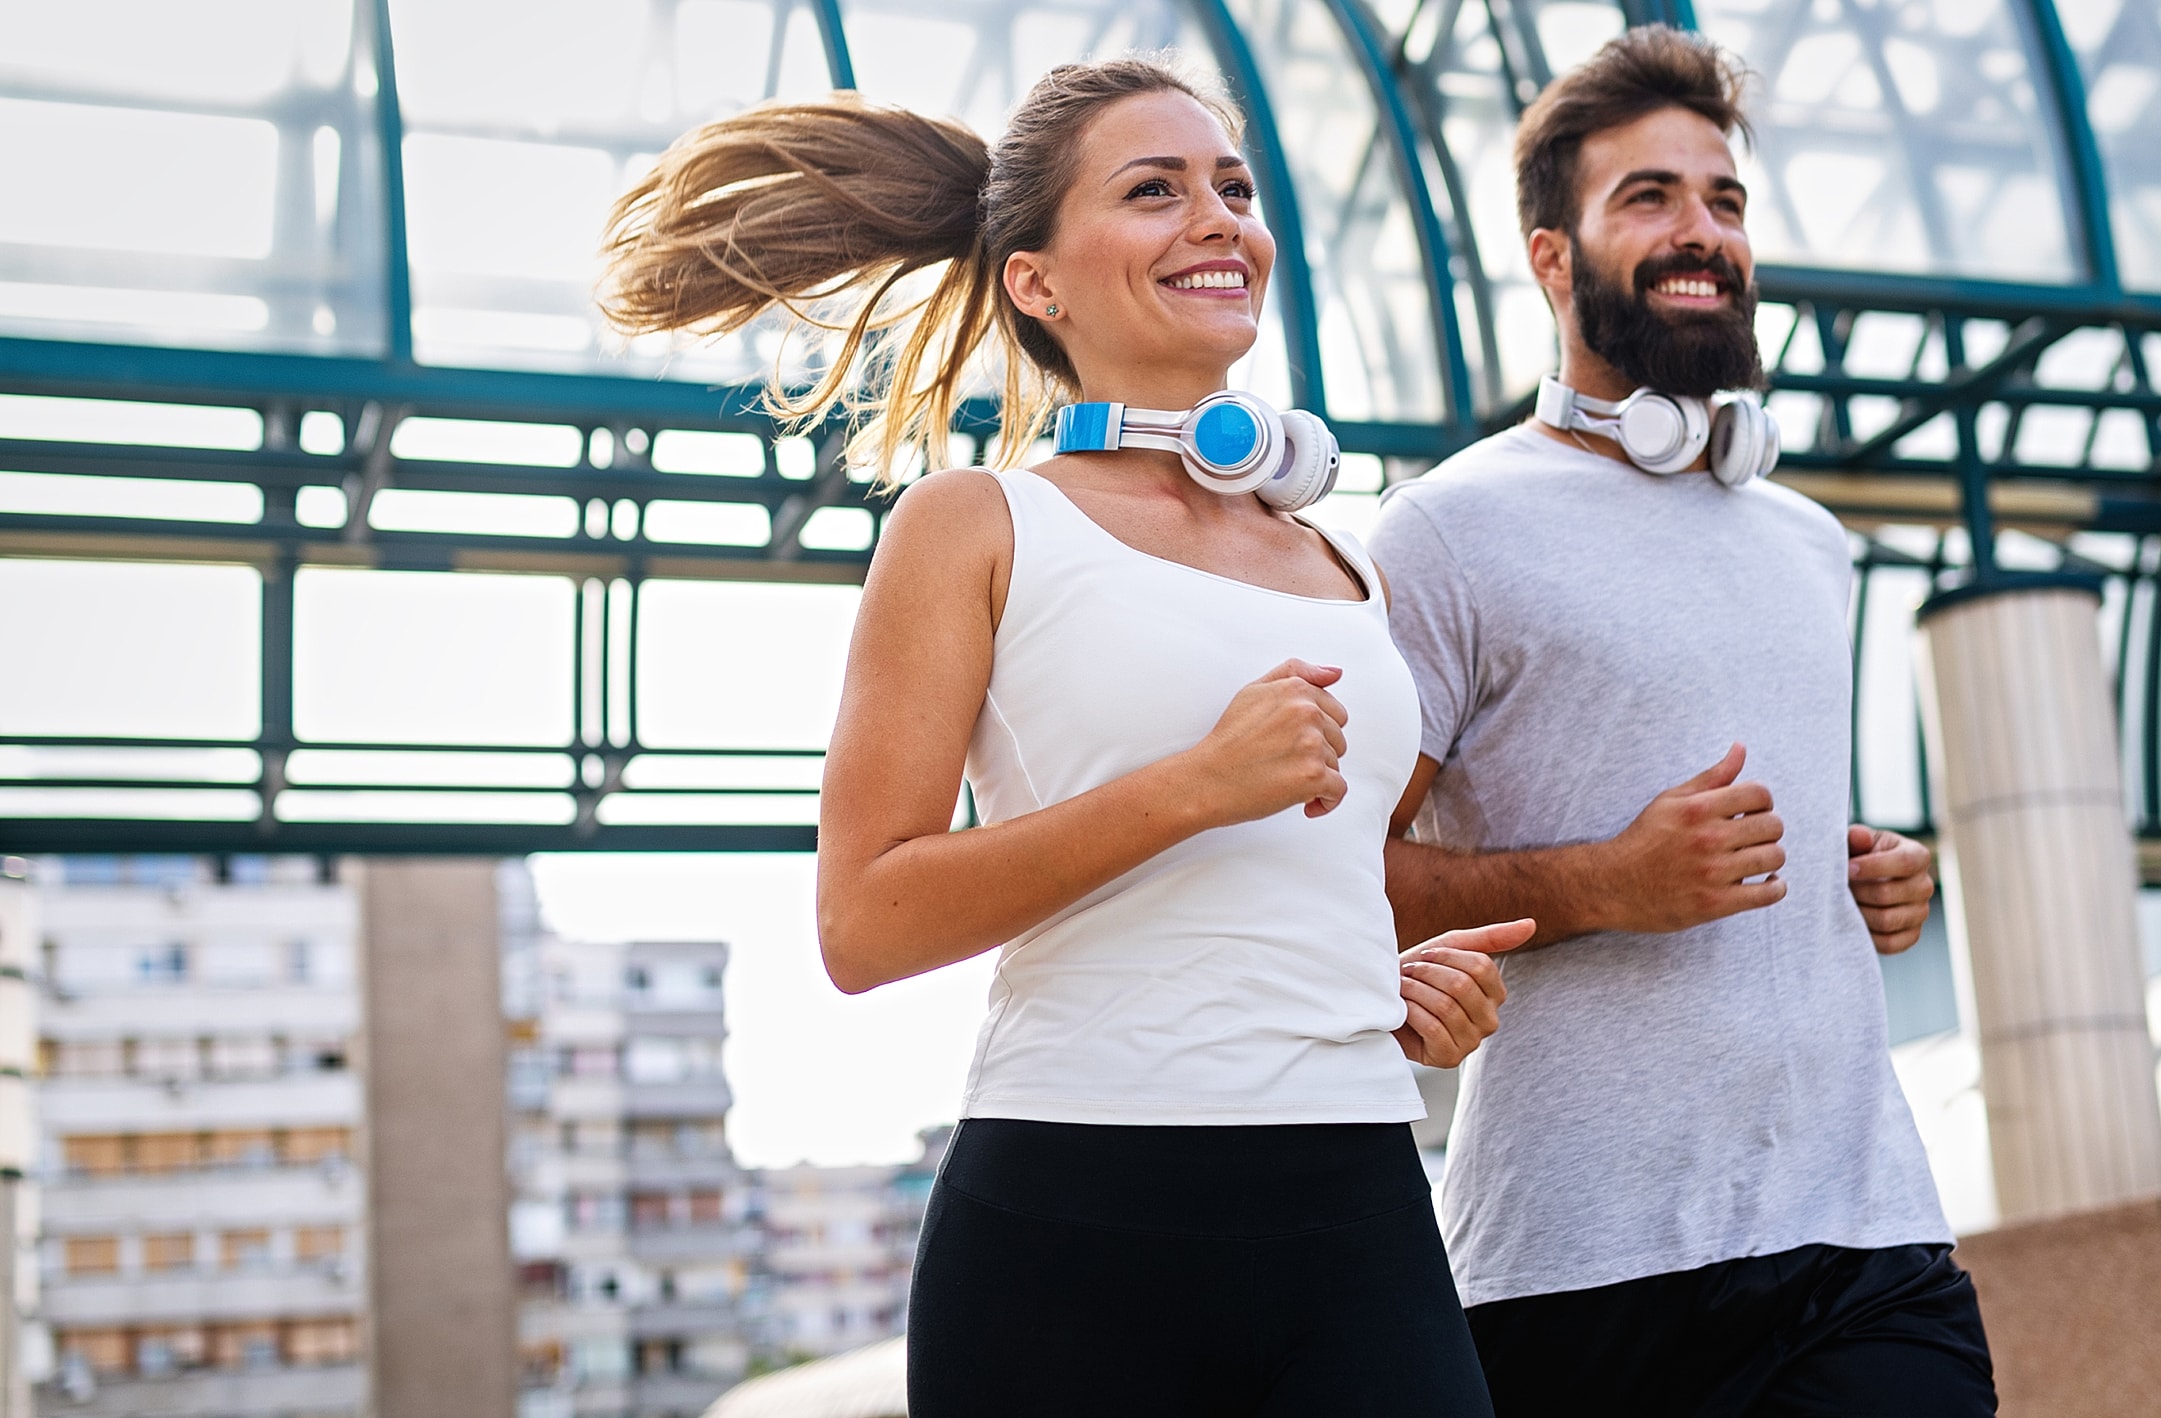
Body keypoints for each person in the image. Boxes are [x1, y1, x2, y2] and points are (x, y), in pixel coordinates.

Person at [599, 58, 1527, 1417]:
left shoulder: (1349, 563)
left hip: (1361, 1205)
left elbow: (1294, 881)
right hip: (1074, 1224)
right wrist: (1193, 786)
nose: (1219, 218)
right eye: (1155, 191)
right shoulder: (975, 524)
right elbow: (865, 921)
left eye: (1235, 187)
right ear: (1037, 282)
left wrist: (1395, 977)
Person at [1368, 25, 1996, 1418]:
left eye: (1723, 198)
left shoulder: (1812, 542)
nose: (1699, 229)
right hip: (1579, 1269)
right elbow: (1335, 875)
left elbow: (1756, 829)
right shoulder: (1443, 532)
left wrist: (1863, 880)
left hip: (1863, 1227)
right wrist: (1607, 882)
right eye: (1647, 197)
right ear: (1553, 258)